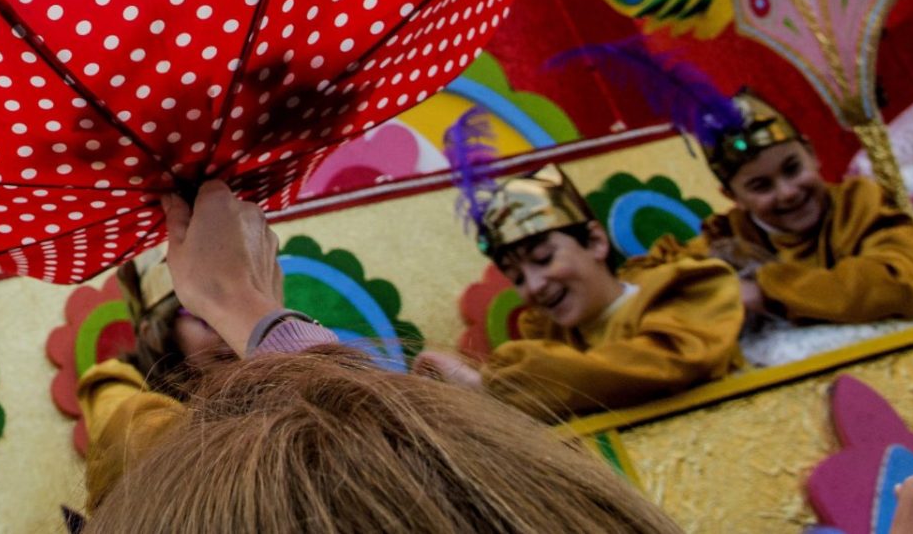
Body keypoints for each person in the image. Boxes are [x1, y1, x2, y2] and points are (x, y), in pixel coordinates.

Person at [86, 180, 686, 534]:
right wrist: (246, 308)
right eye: (198, 316)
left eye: (543, 257)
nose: (534, 285)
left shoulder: (675, 291)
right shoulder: (139, 416)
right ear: (162, 337)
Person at [413, 165, 742, 419]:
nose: (535, 285)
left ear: (596, 241)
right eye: (518, 278)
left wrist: (486, 386)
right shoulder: (550, 338)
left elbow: (663, 364)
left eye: (544, 258)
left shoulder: (685, 289)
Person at [659, 89, 913, 326]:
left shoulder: (859, 203)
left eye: (792, 169)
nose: (788, 193)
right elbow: (651, 284)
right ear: (733, 196)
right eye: (761, 186)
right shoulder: (725, 238)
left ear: (812, 154)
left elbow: (903, 287)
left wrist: (765, 291)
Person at [75, 249, 230, 511]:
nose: (225, 328)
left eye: (232, 311)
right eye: (203, 316)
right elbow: (145, 444)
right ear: (155, 332)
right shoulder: (112, 382)